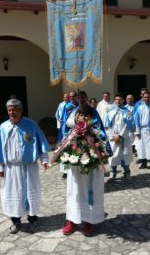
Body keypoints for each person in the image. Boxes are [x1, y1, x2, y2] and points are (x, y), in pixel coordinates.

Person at [0, 99, 50, 234]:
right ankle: (16, 221)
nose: (12, 112)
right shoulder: (3, 127)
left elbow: (41, 144)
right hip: (11, 168)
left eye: (15, 110)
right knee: (13, 193)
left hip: (29, 167)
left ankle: (33, 218)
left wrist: (44, 159)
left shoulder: (31, 125)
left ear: (21, 110)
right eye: (10, 110)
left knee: (30, 193)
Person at [58, 91, 109, 237]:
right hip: (75, 159)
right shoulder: (71, 112)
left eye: (83, 97)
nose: (80, 99)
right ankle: (72, 221)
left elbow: (102, 133)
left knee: (90, 189)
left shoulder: (94, 113)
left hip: (91, 158)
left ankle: (89, 221)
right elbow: (65, 131)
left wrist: (91, 132)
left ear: (86, 99)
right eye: (78, 97)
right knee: (74, 190)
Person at [105, 93, 134, 179]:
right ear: (114, 100)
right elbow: (107, 126)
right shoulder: (110, 112)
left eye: (120, 99)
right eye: (117, 99)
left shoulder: (127, 112)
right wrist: (113, 136)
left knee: (125, 155)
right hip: (113, 138)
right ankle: (112, 173)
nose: (118, 101)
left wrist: (120, 136)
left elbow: (128, 125)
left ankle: (127, 172)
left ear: (123, 100)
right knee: (113, 155)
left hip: (124, 138)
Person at [58, 91, 78, 179]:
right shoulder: (67, 106)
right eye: (70, 97)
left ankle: (76, 167)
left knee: (77, 149)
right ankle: (65, 171)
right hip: (68, 130)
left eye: (73, 96)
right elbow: (64, 119)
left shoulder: (79, 105)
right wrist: (65, 132)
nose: (71, 98)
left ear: (76, 96)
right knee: (66, 149)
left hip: (78, 130)